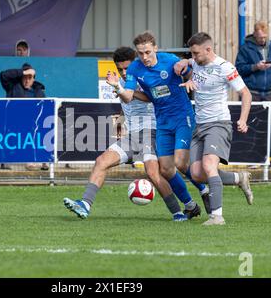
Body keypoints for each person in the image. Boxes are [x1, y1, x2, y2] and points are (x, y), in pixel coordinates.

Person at [63, 47, 193, 222]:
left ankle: (178, 212)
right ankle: (85, 204)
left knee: (153, 172)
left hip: (152, 131)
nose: (124, 73)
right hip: (132, 135)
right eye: (120, 69)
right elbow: (127, 103)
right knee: (101, 161)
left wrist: (120, 88)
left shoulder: (143, 77)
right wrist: (121, 121)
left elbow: (148, 97)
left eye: (126, 68)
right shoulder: (121, 81)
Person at [106, 31, 210, 216]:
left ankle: (205, 190)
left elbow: (191, 73)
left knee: (180, 163)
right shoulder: (134, 69)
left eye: (147, 52)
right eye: (140, 53)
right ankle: (190, 205)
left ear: (155, 48)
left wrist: (187, 70)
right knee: (166, 169)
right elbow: (129, 96)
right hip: (162, 121)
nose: (144, 57)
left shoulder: (170, 61)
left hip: (182, 117)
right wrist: (117, 87)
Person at [178, 32, 254, 226]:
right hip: (199, 124)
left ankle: (217, 216)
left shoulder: (225, 67)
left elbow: (246, 94)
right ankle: (239, 178)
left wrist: (243, 120)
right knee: (196, 173)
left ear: (208, 50)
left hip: (218, 123)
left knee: (209, 167)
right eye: (191, 54)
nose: (194, 57)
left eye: (196, 53)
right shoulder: (195, 62)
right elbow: (182, 65)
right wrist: (184, 64)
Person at [0, 63, 47, 170]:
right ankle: (29, 159)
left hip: (34, 122)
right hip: (15, 121)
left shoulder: (38, 91)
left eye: (29, 78)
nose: (26, 80)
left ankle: (44, 159)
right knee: (28, 128)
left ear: (33, 79)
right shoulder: (12, 87)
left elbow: (44, 108)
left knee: (44, 128)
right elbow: (4, 75)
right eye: (24, 77)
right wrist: (24, 72)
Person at [235, 21, 271, 101]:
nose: (263, 40)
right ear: (254, 34)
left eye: (265, 37)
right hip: (251, 94)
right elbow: (239, 69)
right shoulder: (245, 49)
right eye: (260, 37)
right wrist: (255, 67)